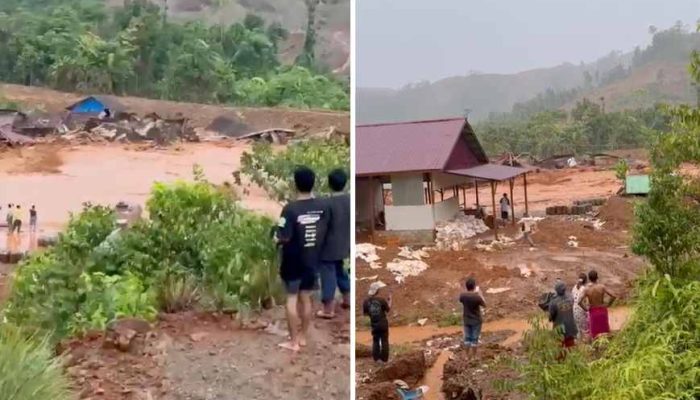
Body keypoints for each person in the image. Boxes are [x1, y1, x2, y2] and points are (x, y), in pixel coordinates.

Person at [275, 166, 330, 352]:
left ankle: (293, 342)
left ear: (295, 184)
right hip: (312, 259)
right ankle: (303, 336)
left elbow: (283, 236)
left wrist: (276, 238)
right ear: (313, 183)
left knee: (291, 298)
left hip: (292, 261)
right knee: (306, 297)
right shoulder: (323, 207)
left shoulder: (289, 209)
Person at [317, 169, 351, 319]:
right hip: (344, 244)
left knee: (328, 275)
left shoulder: (327, 203)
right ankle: (347, 299)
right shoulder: (349, 200)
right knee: (340, 270)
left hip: (328, 247)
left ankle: (328, 309)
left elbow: (322, 226)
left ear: (329, 184)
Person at [578, 270, 616, 340]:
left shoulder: (587, 289)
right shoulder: (602, 287)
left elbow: (579, 301)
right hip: (602, 310)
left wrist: (586, 309)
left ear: (589, 279)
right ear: (597, 277)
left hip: (593, 311)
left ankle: (595, 348)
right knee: (605, 333)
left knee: (594, 334)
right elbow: (613, 296)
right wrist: (608, 304)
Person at [363, 281, 391, 363]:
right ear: (377, 291)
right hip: (383, 324)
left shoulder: (366, 302)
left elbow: (366, 314)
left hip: (374, 324)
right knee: (384, 341)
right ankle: (384, 359)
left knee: (375, 340)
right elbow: (388, 309)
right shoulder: (381, 300)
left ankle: (376, 359)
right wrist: (389, 300)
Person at [459, 277, 486, 356]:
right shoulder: (477, 297)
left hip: (466, 320)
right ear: (474, 287)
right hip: (476, 321)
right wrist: (480, 293)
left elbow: (462, 298)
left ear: (466, 286)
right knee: (474, 339)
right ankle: (473, 356)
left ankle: (467, 355)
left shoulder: (463, 296)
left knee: (467, 338)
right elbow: (484, 304)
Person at [549, 280, 578, 348]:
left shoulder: (553, 302)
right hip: (571, 327)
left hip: (559, 329)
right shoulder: (571, 297)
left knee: (559, 348)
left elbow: (551, 317)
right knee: (571, 347)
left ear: (556, 290)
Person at [571, 272, 589, 340]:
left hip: (574, 309)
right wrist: (587, 310)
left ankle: (579, 345)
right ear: (586, 281)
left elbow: (572, 298)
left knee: (578, 329)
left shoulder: (574, 287)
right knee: (585, 329)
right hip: (582, 308)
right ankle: (586, 345)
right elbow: (586, 301)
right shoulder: (584, 289)